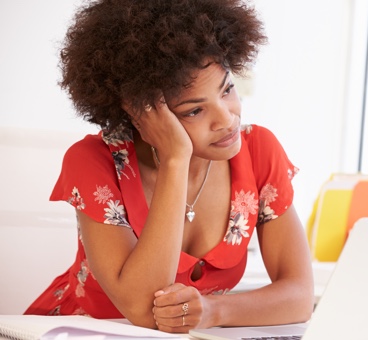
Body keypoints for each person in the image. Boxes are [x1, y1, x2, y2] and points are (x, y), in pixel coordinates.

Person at [24, 0, 315, 333]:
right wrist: (176, 159)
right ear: (141, 111)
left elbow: (299, 296)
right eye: (194, 111)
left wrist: (212, 311)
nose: (226, 119)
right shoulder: (94, 162)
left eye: (227, 89)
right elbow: (142, 308)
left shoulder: (258, 151)